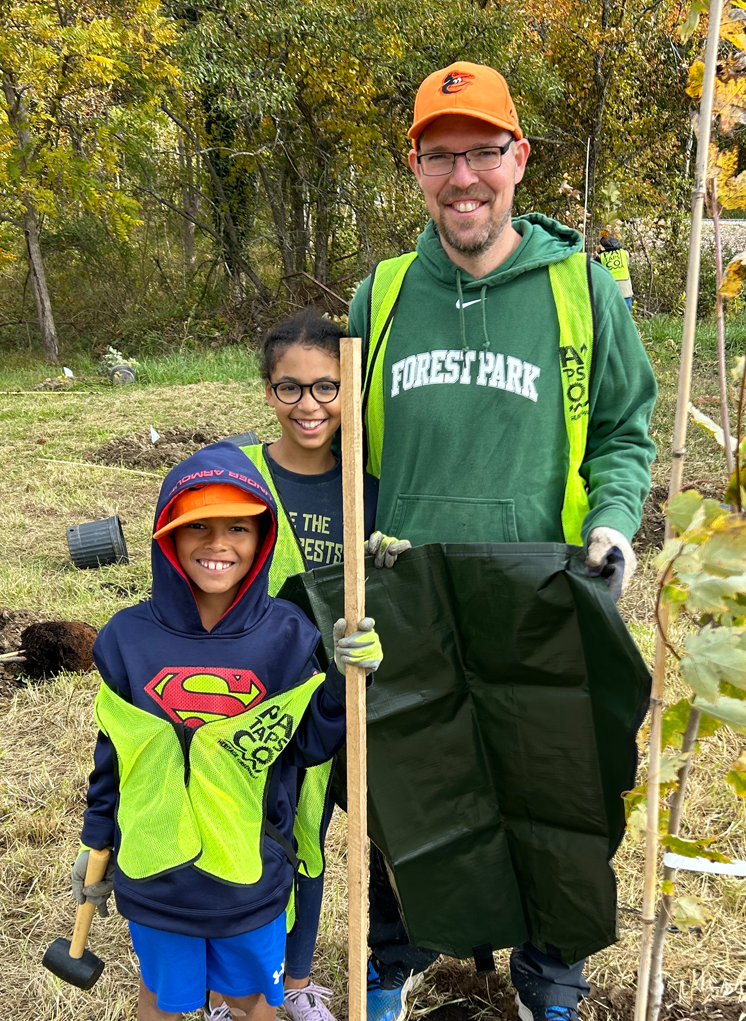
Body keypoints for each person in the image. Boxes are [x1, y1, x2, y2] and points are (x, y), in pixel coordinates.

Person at [347, 61, 657, 1021]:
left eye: (483, 152)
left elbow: (624, 430)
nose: (463, 177)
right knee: (406, 785)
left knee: (555, 791)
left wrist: (614, 520)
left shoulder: (582, 290)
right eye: (441, 157)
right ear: (416, 170)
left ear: (518, 158)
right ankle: (387, 961)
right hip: (411, 593)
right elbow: (345, 452)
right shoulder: (384, 296)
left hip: (539, 590)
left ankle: (548, 979)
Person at [72, 441, 384, 1021]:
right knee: (162, 1000)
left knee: (251, 1003)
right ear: (167, 535)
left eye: (238, 527)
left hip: (251, 878)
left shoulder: (289, 637)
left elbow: (310, 744)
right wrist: (97, 842)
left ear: (262, 537)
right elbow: (113, 757)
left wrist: (345, 680)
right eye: (199, 527)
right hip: (155, 877)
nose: (218, 545)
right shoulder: (126, 640)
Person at [201, 311, 409, 1021]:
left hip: (331, 698)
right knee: (251, 837)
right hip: (252, 694)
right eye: (291, 390)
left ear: (350, 390)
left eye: (326, 387)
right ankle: (240, 985)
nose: (310, 406)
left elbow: (395, 601)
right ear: (268, 392)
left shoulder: (371, 491)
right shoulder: (240, 476)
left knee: (311, 835)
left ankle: (294, 984)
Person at [597, 233, 634, 310]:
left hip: (610, 294)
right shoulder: (624, 253)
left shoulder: (601, 257)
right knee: (626, 319)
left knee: (613, 320)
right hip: (626, 292)